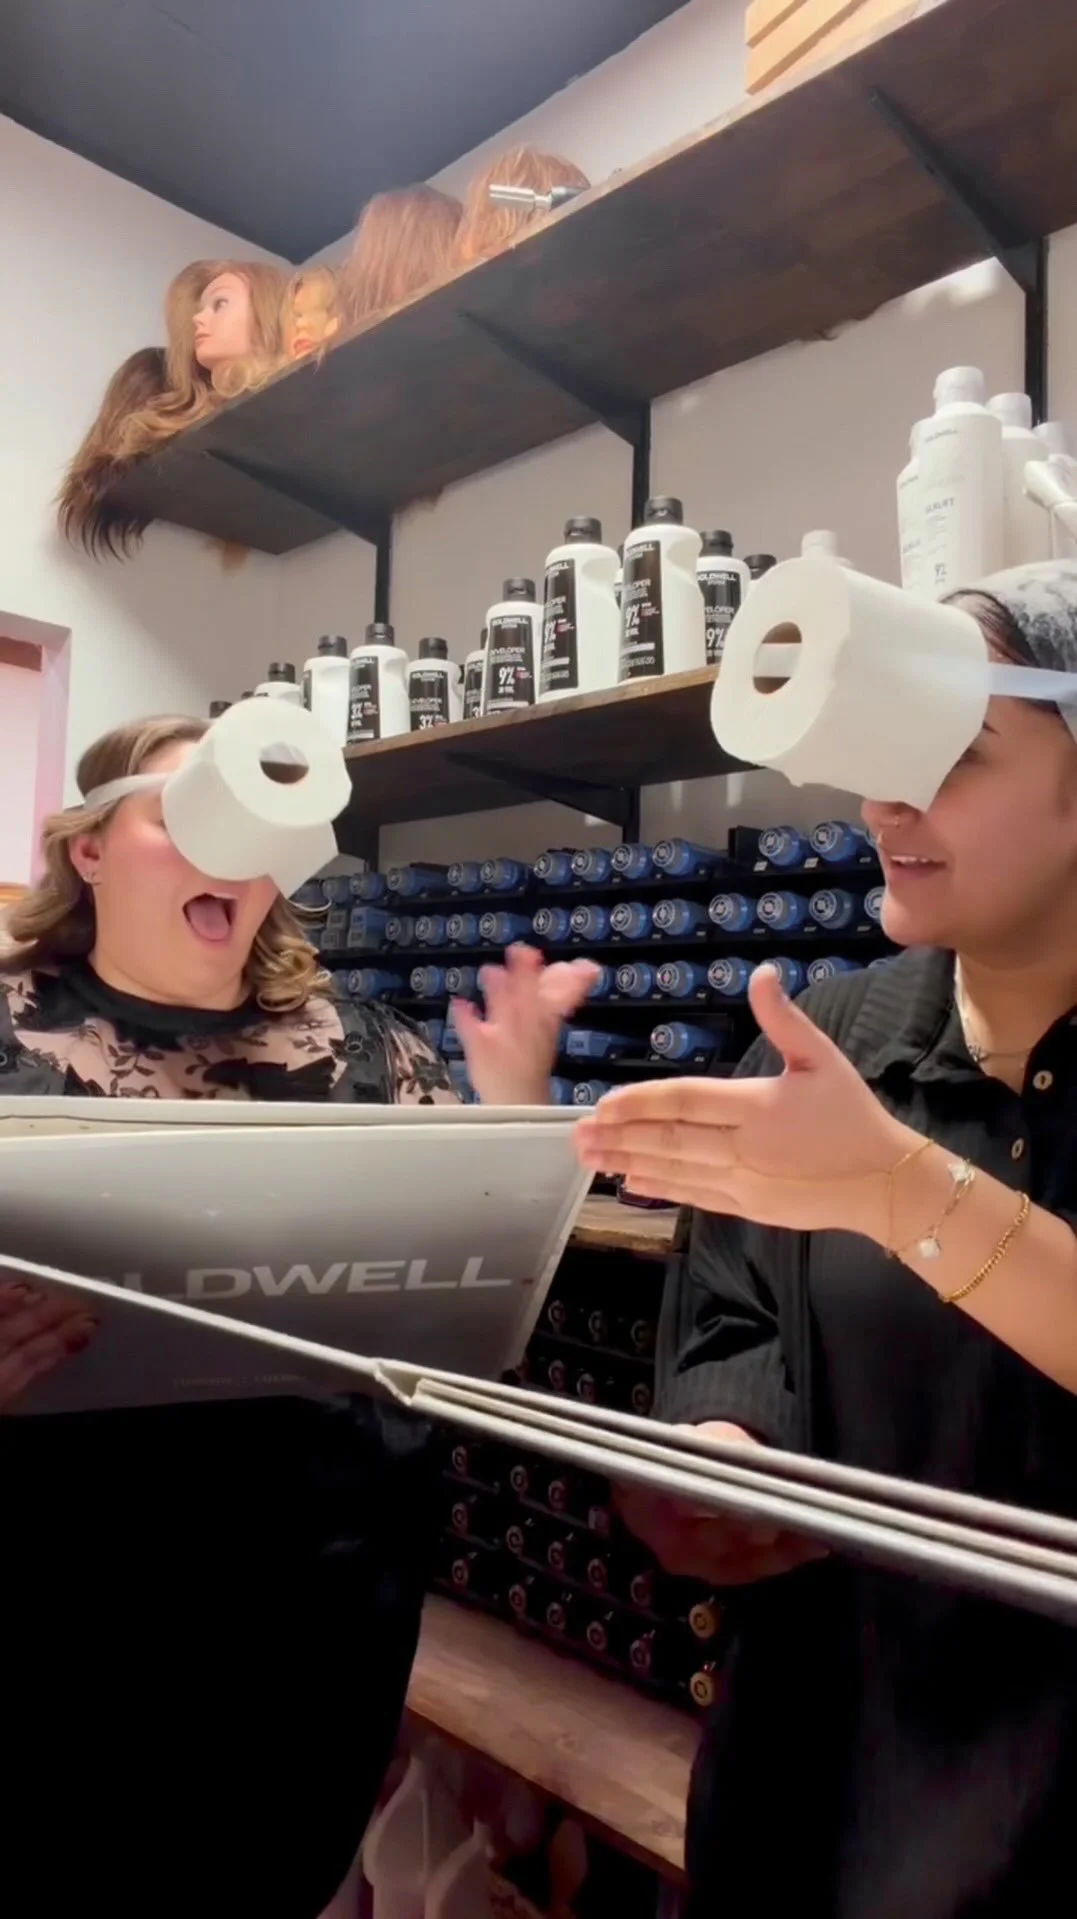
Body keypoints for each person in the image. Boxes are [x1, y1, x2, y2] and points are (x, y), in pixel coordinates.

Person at [0, 713, 596, 1919]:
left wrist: (516, 1122)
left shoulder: (373, 1059)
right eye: (186, 813)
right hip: (53, 1618)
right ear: (89, 850)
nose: (229, 846)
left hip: (307, 1631)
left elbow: (469, 1325)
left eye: (255, 821)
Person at [576, 561, 1077, 1918]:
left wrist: (895, 1185)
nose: (885, 803)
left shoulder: (852, 1118)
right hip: (817, 1778)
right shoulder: (831, 1042)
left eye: (954, 751)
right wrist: (715, 1453)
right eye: (883, 751)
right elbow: (732, 1315)